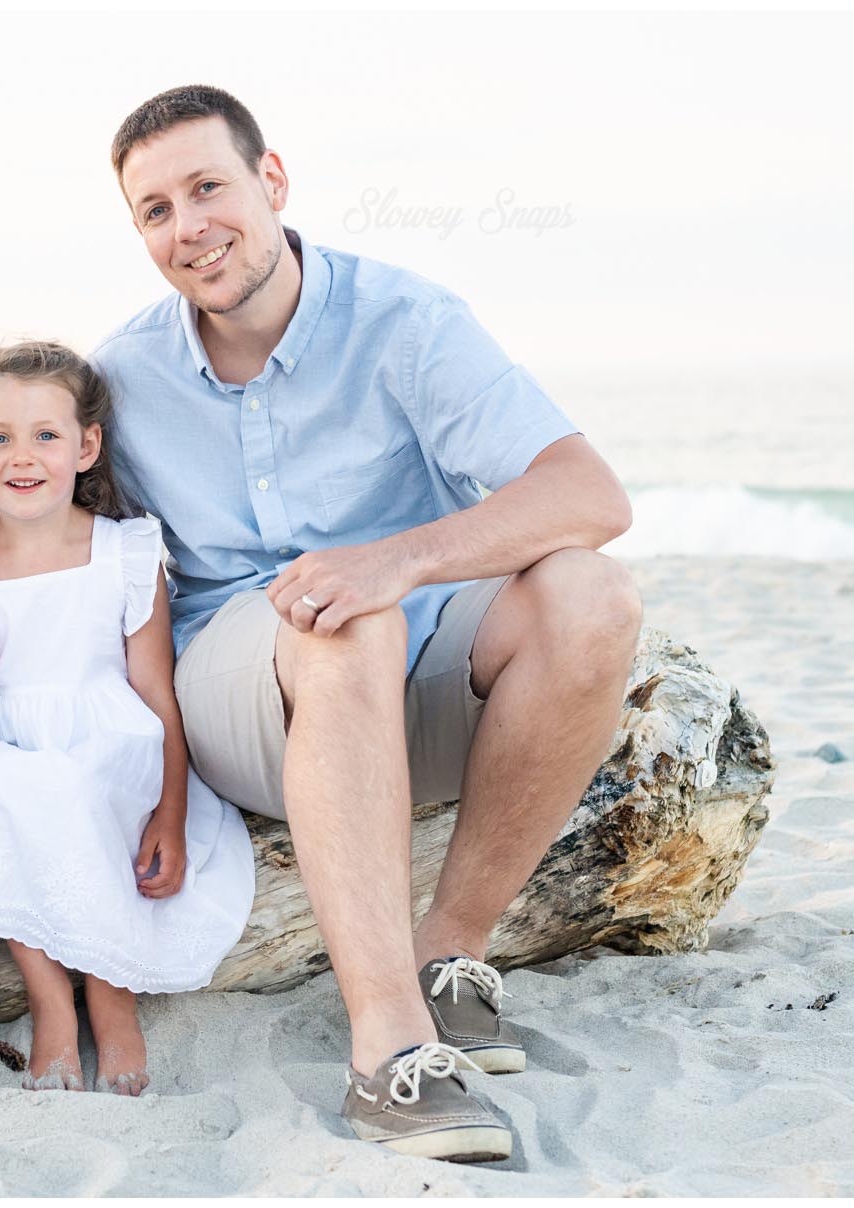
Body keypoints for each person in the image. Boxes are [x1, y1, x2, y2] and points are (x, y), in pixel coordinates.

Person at [91, 86, 642, 1161]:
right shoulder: (123, 375)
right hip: (243, 699)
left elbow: (592, 496)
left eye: (208, 187)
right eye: (154, 210)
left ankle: (450, 955)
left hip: (417, 673)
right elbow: (63, 558)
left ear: (273, 181)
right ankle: (387, 1054)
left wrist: (399, 559)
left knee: (593, 596)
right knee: (345, 624)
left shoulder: (404, 318)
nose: (187, 225)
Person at [0, 341, 255, 1095]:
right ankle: (51, 1004)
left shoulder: (124, 552)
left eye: (45, 434)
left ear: (87, 445)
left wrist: (171, 811)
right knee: (7, 782)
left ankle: (110, 994)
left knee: (67, 784)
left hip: (115, 743)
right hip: (8, 741)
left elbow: (159, 697)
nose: (22, 455)